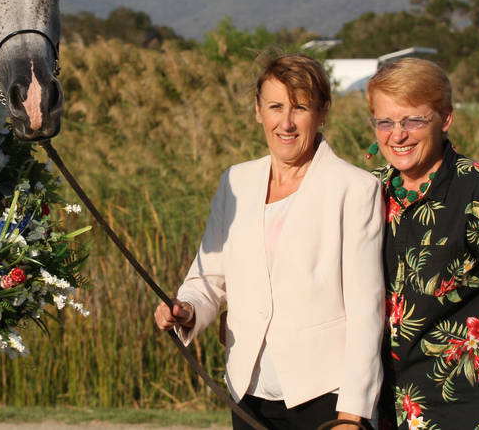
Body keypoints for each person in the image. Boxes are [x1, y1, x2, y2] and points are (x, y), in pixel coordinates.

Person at [155, 54, 384, 429]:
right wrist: (187, 308)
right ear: (258, 111)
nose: (286, 123)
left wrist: (352, 413)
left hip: (325, 394)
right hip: (248, 392)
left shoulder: (356, 188)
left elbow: (366, 311)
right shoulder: (235, 182)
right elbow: (208, 278)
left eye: (300, 108)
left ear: (323, 112)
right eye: (275, 107)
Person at [366, 58, 479, 430]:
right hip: (383, 410)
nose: (397, 135)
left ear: (446, 118)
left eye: (413, 121)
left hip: (470, 411)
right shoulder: (368, 193)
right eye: (385, 122)